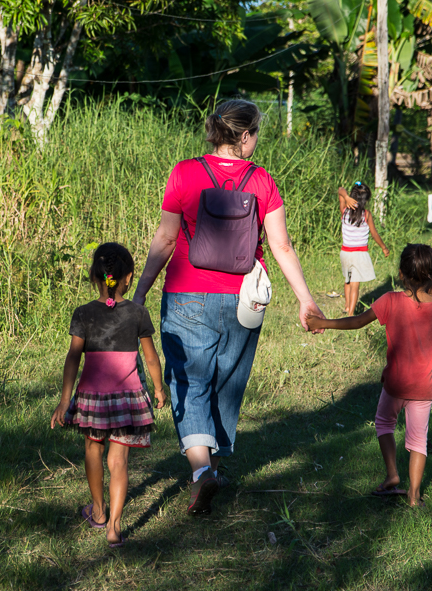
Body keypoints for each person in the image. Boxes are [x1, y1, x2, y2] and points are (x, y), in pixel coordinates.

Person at [132, 99, 326, 516]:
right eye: (256, 133)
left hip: (186, 293)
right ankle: (211, 471)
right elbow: (281, 246)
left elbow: (166, 240)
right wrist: (305, 299)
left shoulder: (185, 172)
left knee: (190, 380)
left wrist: (141, 292)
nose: (256, 140)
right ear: (244, 136)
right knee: (226, 383)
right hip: (243, 299)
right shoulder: (262, 180)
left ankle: (201, 472)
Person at [306, 244, 432, 508]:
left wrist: (324, 323)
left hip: (395, 384)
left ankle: (392, 474)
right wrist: (429, 288)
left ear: (400, 273)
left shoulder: (390, 300)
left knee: (384, 424)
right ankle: (414, 495)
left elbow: (357, 321)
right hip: (423, 388)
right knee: (418, 441)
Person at [50, 242, 166, 547]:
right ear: (127, 277)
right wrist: (158, 387)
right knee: (119, 462)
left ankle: (98, 512)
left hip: (92, 399)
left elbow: (73, 358)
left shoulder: (84, 314)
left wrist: (64, 400)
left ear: (94, 276)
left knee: (93, 450)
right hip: (128, 400)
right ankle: (114, 528)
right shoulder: (138, 313)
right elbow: (151, 358)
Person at [338, 182, 389, 316]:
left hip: (345, 253)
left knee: (347, 281)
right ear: (366, 200)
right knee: (355, 285)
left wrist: (345, 197)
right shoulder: (366, 215)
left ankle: (347, 307)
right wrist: (384, 247)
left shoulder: (344, 211)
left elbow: (340, 190)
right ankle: (351, 314)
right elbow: (374, 234)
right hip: (359, 254)